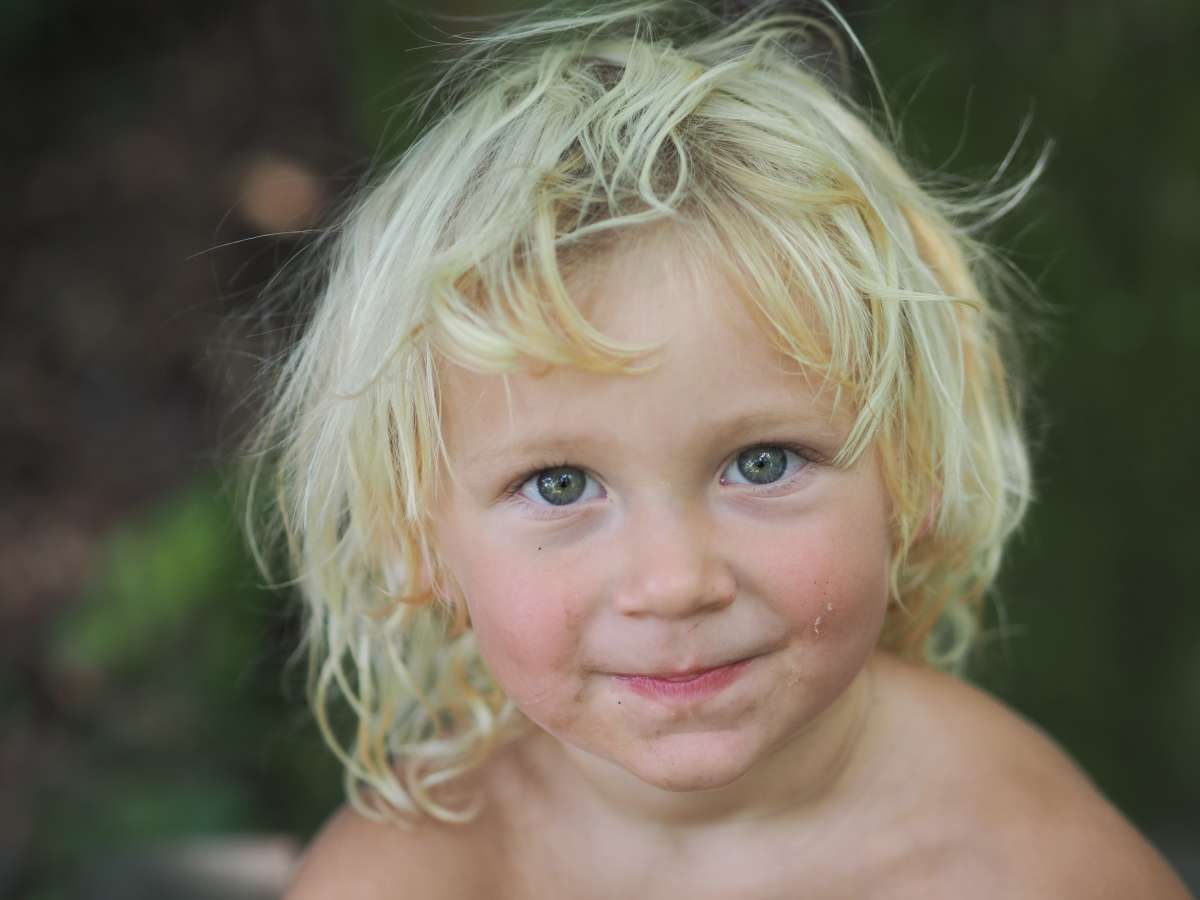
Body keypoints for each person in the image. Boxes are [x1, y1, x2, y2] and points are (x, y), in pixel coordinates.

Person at [244, 2, 1192, 896]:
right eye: (560, 482)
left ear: (914, 471)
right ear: (415, 539)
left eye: (763, 463)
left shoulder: (1029, 863)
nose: (674, 580)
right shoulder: (408, 879)